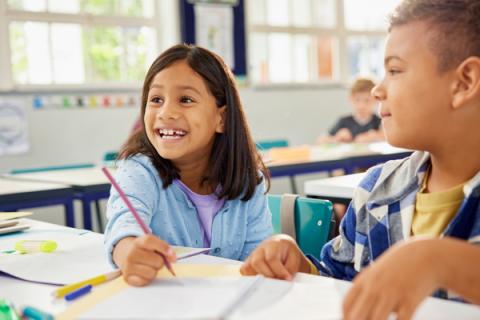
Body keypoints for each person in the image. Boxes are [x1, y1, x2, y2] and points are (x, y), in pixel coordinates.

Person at [241, 0, 480, 318]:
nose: (378, 90)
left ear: (464, 82)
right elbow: (340, 283)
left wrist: (441, 261)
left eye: (394, 70)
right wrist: (300, 267)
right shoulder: (377, 189)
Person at [105, 44, 273, 286]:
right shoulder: (139, 172)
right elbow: (122, 229)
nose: (166, 112)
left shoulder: (248, 181)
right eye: (156, 99)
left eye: (185, 99)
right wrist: (129, 251)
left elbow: (256, 263)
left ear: (221, 118)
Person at [317, 78, 384, 144]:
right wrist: (337, 138)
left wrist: (377, 137)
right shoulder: (343, 121)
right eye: (357, 100)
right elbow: (320, 141)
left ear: (376, 100)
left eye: (367, 100)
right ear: (350, 99)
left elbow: (387, 142)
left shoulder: (379, 122)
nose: (361, 105)